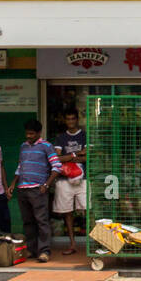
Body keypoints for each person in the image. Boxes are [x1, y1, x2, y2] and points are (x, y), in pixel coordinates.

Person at [6, 118, 61, 262]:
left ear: (38, 133)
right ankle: (31, 249)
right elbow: (20, 167)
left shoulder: (47, 146)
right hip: (22, 189)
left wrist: (46, 185)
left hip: (38, 190)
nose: (28, 136)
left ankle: (44, 252)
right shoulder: (23, 146)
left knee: (42, 221)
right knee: (28, 222)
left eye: (31, 134)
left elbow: (56, 167)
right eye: (27, 133)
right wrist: (12, 184)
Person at [51, 108, 87, 255]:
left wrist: (67, 157)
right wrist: (76, 154)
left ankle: (94, 244)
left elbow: (87, 157)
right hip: (64, 179)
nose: (71, 122)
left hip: (83, 178)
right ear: (65, 121)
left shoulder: (85, 136)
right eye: (68, 119)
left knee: (87, 210)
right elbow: (56, 158)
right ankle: (72, 244)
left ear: (77, 120)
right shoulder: (60, 138)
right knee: (67, 212)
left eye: (73, 119)